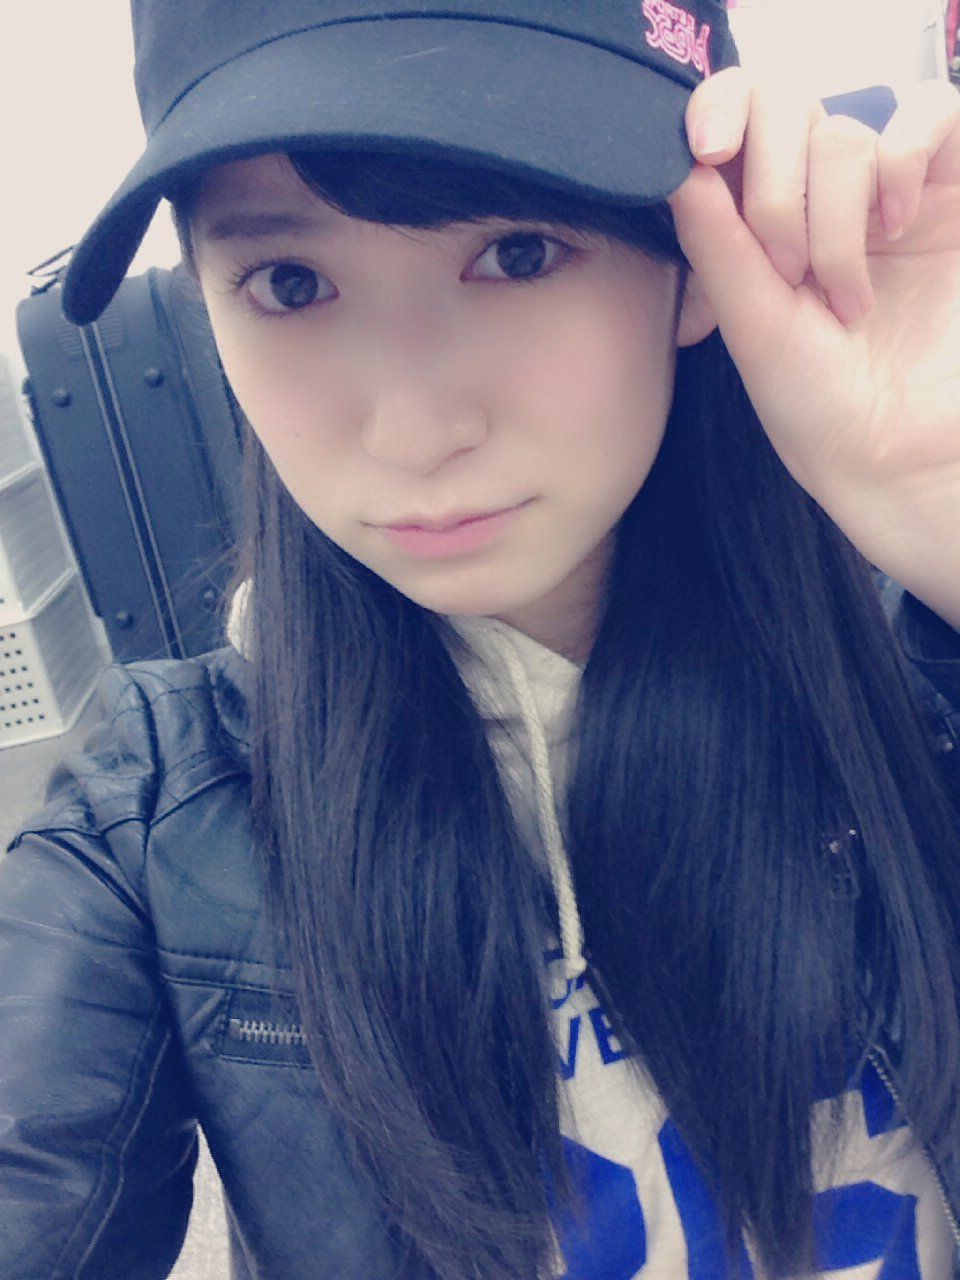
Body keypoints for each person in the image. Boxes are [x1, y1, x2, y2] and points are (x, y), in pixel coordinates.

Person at [2, 2, 960, 1277]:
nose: (411, 430)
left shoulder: (920, 686)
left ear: (693, 255)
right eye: (291, 283)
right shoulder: (159, 820)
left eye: (518, 252)